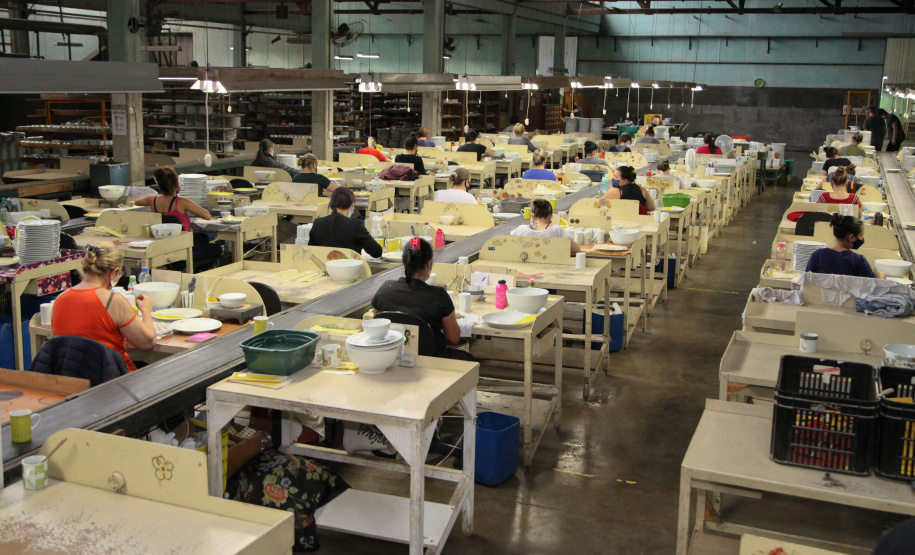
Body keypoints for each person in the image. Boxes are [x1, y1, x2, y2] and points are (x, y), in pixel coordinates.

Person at [51, 243, 156, 372]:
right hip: (110, 379)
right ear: (114, 272)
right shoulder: (113, 301)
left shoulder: (60, 300)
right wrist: (146, 310)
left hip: (72, 378)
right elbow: (148, 342)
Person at [371, 237, 471, 360]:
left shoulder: (385, 289)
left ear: (404, 264)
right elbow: (454, 339)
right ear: (430, 263)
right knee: (468, 358)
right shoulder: (438, 295)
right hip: (431, 361)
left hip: (392, 359)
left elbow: (377, 325)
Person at [307, 187, 383, 258]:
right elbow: (376, 252)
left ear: (331, 204)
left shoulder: (318, 223)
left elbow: (311, 251)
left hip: (324, 269)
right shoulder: (355, 226)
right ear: (352, 206)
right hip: (349, 270)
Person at [805, 213, 885, 279]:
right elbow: (876, 288)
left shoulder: (818, 255)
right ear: (851, 238)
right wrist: (881, 275)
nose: (862, 238)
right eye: (861, 235)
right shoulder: (858, 261)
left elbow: (807, 281)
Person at [135, 166, 211, 231]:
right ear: (177, 184)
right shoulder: (183, 202)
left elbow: (137, 202)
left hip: (163, 239)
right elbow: (207, 216)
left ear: (159, 185)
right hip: (182, 241)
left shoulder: (152, 199)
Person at [510, 199, 580, 253]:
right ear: (550, 216)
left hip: (525, 269)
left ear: (532, 214)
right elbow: (576, 249)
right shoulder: (557, 230)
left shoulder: (520, 230)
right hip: (551, 268)